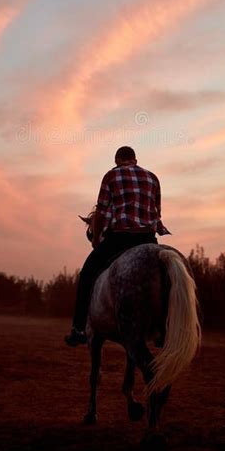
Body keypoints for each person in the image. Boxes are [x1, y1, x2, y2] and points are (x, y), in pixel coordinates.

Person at [64, 146, 170, 346]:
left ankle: (78, 329)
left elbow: (102, 212)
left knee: (87, 275)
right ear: (135, 160)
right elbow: (157, 213)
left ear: (116, 160)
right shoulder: (153, 178)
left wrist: (96, 239)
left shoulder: (111, 176)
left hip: (120, 238)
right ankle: (164, 330)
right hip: (148, 238)